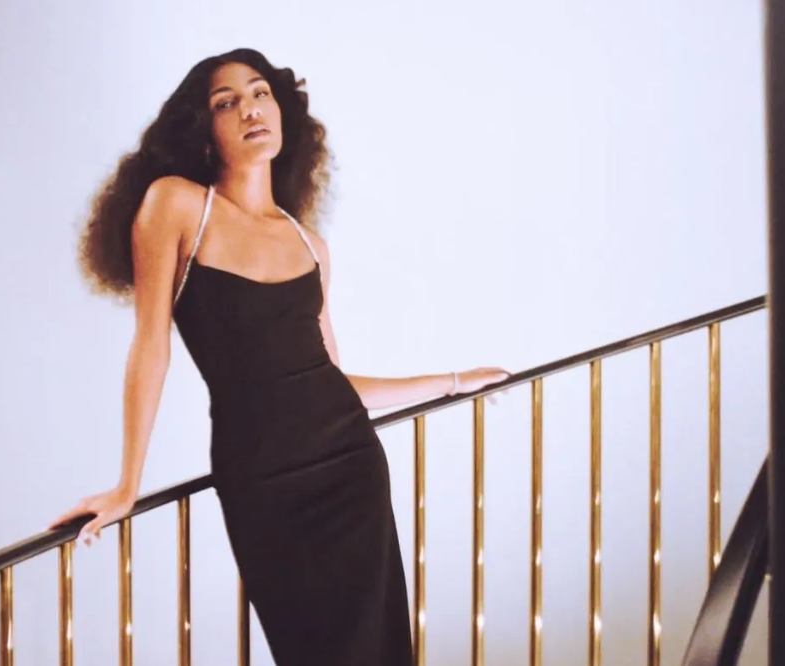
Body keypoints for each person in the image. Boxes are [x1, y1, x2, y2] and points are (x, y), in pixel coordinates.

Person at [49, 47, 509, 666]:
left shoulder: (309, 244)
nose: (250, 109)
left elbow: (330, 379)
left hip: (352, 470)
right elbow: (151, 347)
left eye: (260, 93)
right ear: (204, 130)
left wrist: (451, 379)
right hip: (263, 479)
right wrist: (127, 484)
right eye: (226, 102)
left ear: (283, 112)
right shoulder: (177, 205)